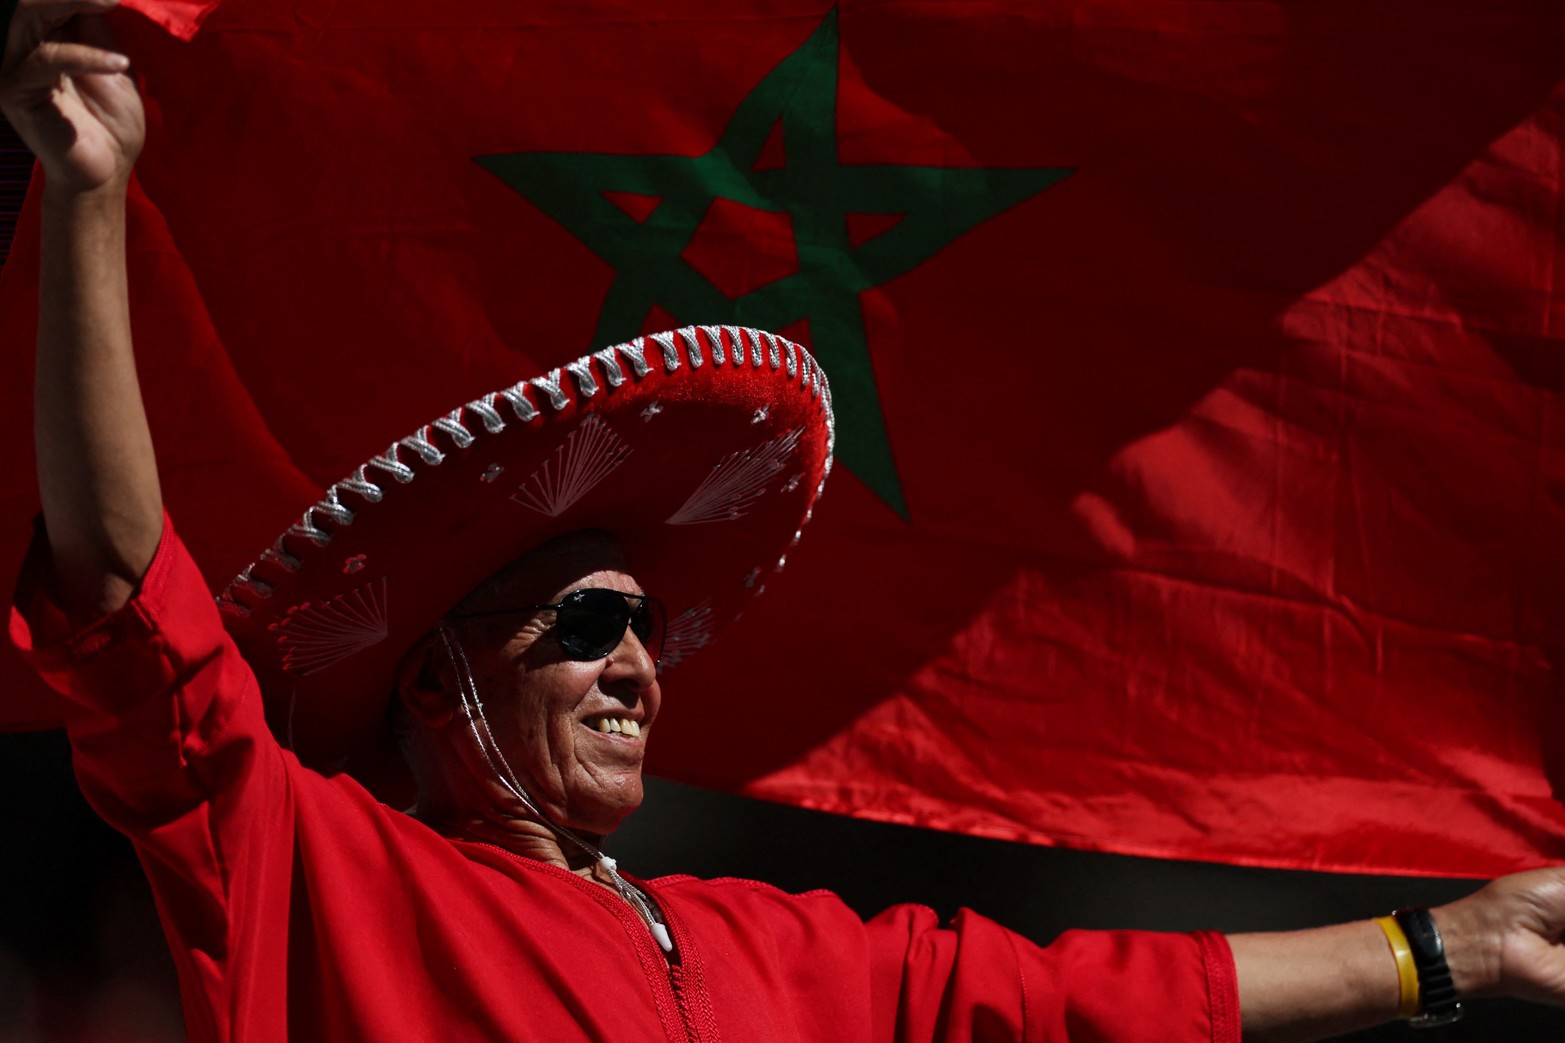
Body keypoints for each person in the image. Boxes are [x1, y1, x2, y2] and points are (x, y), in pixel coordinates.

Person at [6, 2, 1565, 1040]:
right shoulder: (318, 863)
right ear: (439, 680)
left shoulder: (767, 953)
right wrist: (91, 197)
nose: (639, 665)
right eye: (593, 622)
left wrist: (1451, 948)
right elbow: (134, 607)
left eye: (652, 630)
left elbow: (1085, 997)